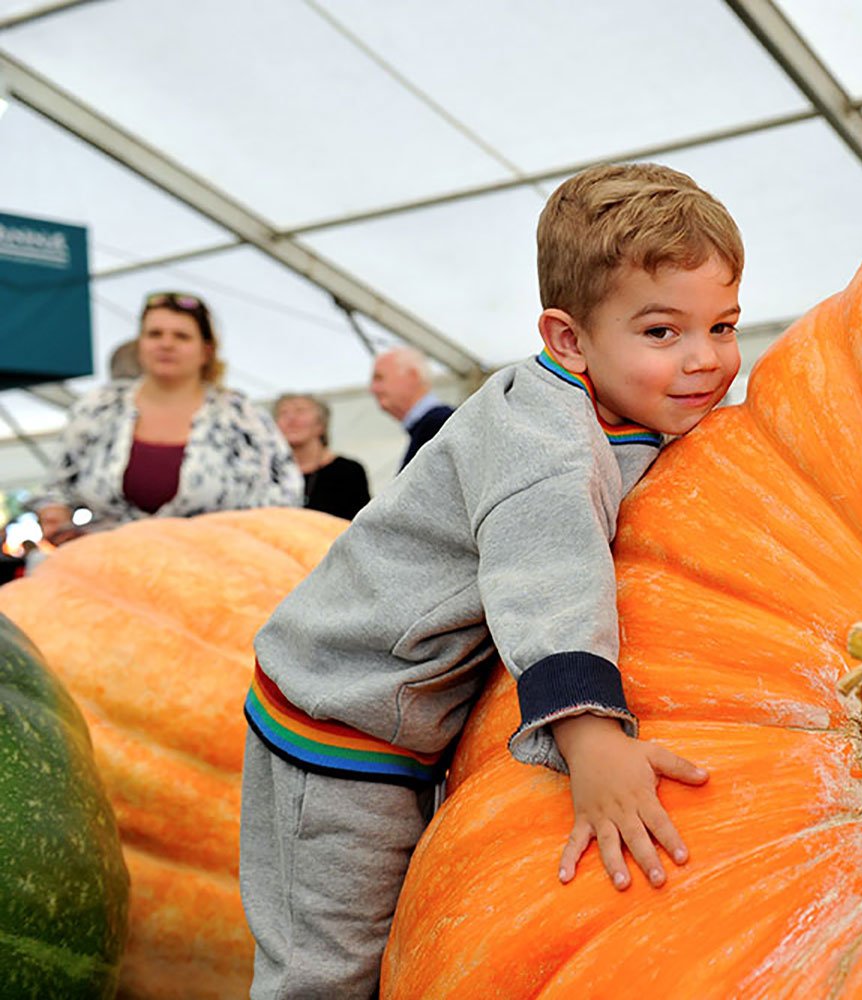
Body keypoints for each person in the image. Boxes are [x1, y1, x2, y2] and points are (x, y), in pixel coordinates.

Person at [240, 162, 744, 998]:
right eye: (662, 333)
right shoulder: (540, 443)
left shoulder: (631, 404)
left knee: (408, 938)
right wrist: (592, 738)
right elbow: (548, 576)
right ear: (569, 339)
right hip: (341, 717)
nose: (705, 360)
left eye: (723, 326)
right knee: (328, 970)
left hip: (416, 711)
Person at [45, 292, 302, 527]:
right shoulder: (96, 408)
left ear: (206, 351)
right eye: (155, 334)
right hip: (105, 562)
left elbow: (286, 492)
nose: (166, 344)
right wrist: (55, 514)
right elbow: (56, 488)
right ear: (140, 344)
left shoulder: (242, 417)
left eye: (182, 336)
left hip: (217, 565)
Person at [273, 393, 371, 520]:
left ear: (321, 424)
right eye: (283, 413)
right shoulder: (269, 475)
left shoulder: (348, 471)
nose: (291, 419)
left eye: (300, 411)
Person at [369, 346, 455, 469]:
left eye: (379, 378)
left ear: (413, 376)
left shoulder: (440, 425)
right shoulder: (427, 427)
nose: (373, 389)